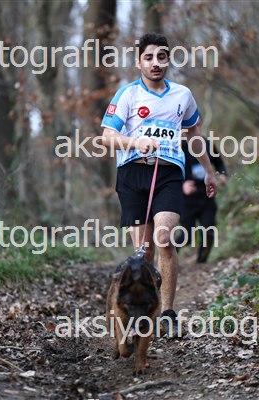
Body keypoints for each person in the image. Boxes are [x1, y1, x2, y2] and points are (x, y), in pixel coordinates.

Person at [100, 33, 217, 334]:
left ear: (168, 60)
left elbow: (195, 136)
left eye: (161, 57)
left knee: (164, 239)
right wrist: (136, 142)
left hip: (168, 174)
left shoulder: (182, 95)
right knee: (144, 251)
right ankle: (140, 314)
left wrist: (209, 172)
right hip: (132, 175)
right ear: (139, 61)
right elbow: (107, 137)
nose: (155, 63)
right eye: (149, 57)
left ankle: (168, 313)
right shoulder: (127, 94)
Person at [176, 137, 227, 263]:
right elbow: (169, 172)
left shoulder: (208, 144)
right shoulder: (178, 147)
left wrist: (222, 174)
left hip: (206, 195)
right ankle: (169, 257)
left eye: (197, 126)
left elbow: (219, 162)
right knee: (188, 235)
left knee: (209, 230)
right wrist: (181, 185)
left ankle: (201, 261)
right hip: (187, 200)